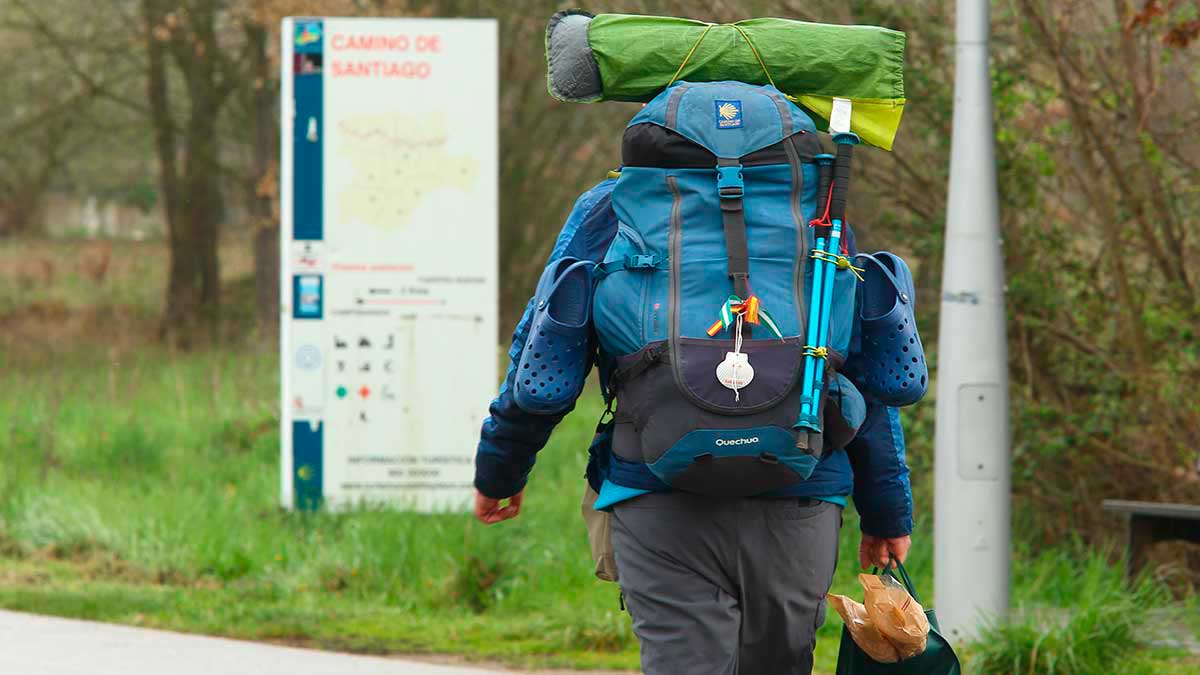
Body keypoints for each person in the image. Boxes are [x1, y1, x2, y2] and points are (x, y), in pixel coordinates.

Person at [473, 176, 915, 674]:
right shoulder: (813, 203)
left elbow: (547, 347)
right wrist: (887, 513)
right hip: (799, 499)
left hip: (657, 497)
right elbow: (859, 365)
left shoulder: (616, 203)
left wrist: (501, 469)